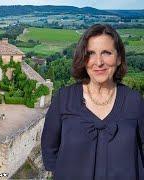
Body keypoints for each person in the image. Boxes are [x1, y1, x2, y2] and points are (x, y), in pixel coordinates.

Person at [41, 24, 144, 180]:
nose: (98, 62)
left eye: (106, 53)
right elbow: (49, 150)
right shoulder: (63, 99)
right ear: (83, 59)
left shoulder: (134, 101)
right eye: (90, 54)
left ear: (118, 58)